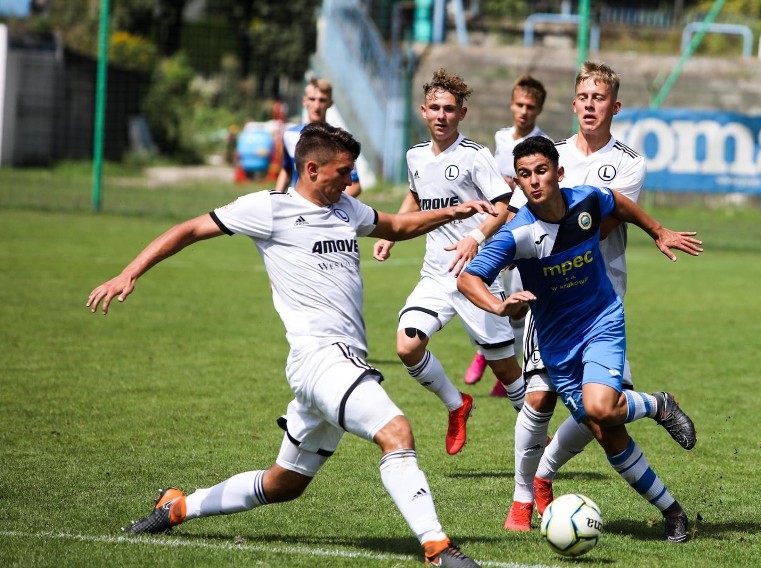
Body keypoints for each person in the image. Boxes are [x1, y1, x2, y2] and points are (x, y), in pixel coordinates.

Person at [86, 122, 484, 568]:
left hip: (340, 363)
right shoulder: (269, 208)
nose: (350, 181)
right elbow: (190, 229)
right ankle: (436, 548)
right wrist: (130, 272)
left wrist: (453, 213)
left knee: (284, 485)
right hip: (319, 360)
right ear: (312, 169)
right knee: (396, 432)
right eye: (343, 172)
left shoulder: (346, 208)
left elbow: (395, 224)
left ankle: (178, 506)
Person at [458, 135, 702, 542]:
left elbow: (615, 201)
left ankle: (658, 405)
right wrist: (500, 307)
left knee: (599, 406)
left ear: (559, 172)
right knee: (605, 430)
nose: (534, 181)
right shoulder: (516, 234)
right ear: (517, 183)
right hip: (558, 344)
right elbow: (468, 278)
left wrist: (657, 230)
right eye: (524, 175)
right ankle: (673, 512)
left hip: (601, 320)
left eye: (541, 171)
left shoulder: (586, 201)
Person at [501, 61, 689, 532]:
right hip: (550, 302)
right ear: (573, 104)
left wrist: (657, 229)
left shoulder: (626, 161)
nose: (589, 105)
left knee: (604, 414)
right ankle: (524, 500)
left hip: (601, 298)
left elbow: (603, 220)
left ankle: (547, 473)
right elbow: (518, 215)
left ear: (614, 106)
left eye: (598, 98)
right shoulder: (549, 156)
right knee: (540, 398)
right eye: (583, 97)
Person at [372, 68, 527, 456]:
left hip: (477, 276)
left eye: (450, 109)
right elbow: (416, 197)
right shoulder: (414, 156)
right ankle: (457, 405)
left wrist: (475, 239)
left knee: (509, 377)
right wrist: (393, 235)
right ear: (424, 111)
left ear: (462, 113)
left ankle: (537, 446)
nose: (442, 115)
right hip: (436, 275)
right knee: (407, 347)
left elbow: (502, 205)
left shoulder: (475, 156)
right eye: (435, 108)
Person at [464, 74, 550, 398]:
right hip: (495, 220)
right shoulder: (500, 138)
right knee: (486, 285)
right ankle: (483, 352)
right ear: (511, 104)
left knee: (517, 299)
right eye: (519, 104)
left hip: (521, 224)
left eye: (530, 106)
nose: (524, 111)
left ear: (539, 109)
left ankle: (503, 371)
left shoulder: (544, 144)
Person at [275, 78, 362, 197]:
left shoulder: (338, 139)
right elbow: (287, 169)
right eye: (312, 99)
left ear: (330, 103)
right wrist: (277, 197)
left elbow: (355, 186)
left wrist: (331, 207)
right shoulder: (289, 135)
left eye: (322, 100)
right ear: (304, 101)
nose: (316, 105)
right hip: (297, 206)